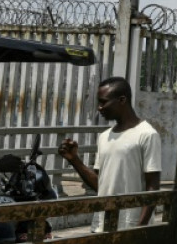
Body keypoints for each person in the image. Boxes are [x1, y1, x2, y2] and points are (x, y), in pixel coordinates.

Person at [58, 77, 161, 232]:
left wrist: (140, 229)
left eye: (103, 102)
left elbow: (152, 187)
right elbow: (100, 184)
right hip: (102, 224)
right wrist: (74, 160)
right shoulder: (104, 136)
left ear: (122, 100)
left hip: (130, 226)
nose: (99, 108)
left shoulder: (147, 134)